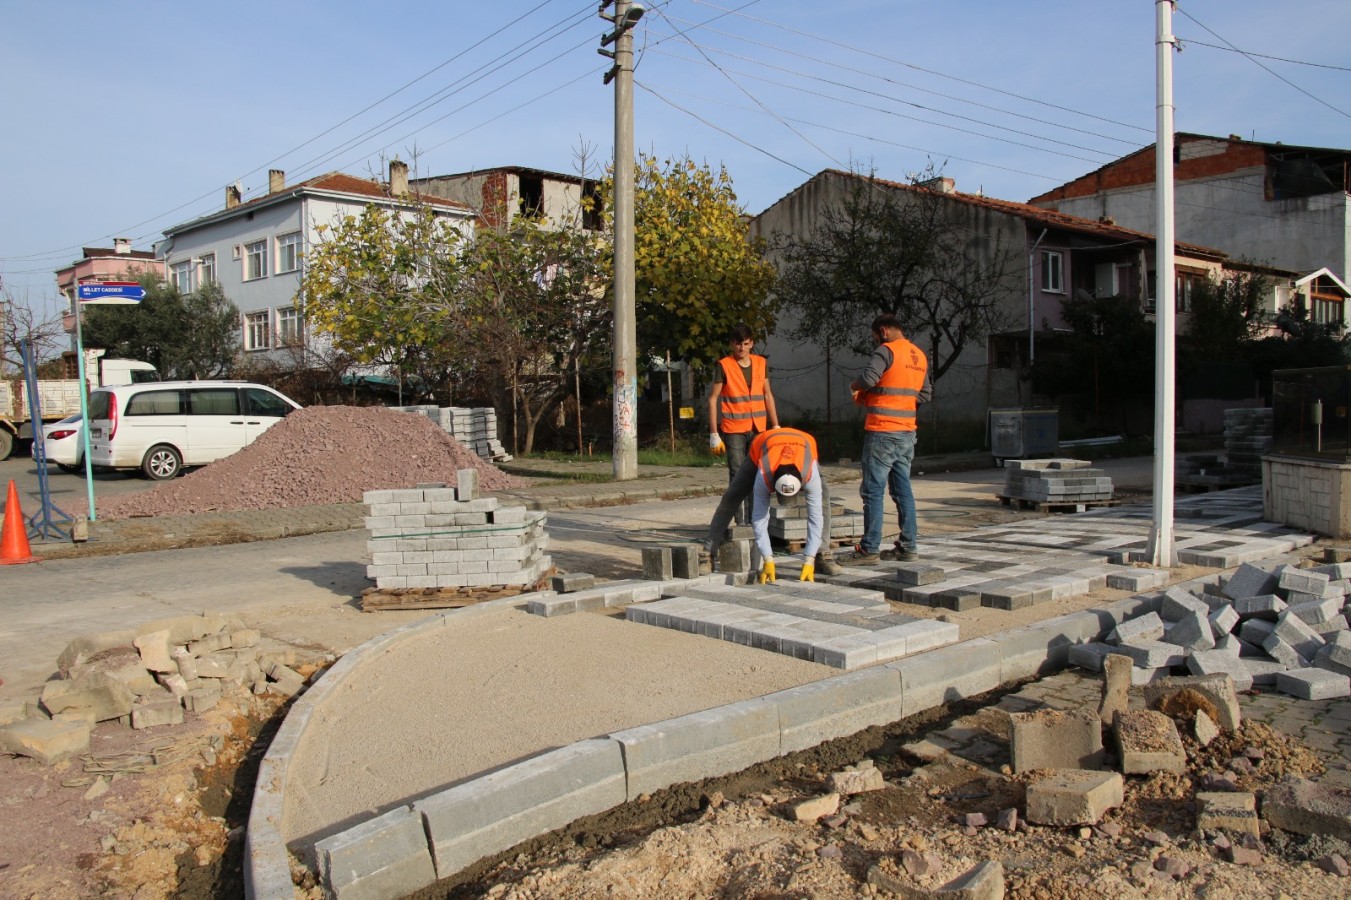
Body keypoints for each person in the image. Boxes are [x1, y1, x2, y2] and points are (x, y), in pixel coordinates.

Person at [844, 314, 931, 565]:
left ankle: (869, 549)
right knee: (903, 490)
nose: (876, 341)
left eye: (875, 337)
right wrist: (901, 404)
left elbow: (868, 379)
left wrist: (855, 387)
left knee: (872, 491)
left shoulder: (886, 351)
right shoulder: (918, 356)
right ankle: (908, 546)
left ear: (883, 331)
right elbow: (925, 393)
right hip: (907, 433)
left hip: (882, 431)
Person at [702, 427, 842, 580]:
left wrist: (809, 558)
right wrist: (768, 558)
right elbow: (759, 519)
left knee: (823, 500)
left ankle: (822, 554)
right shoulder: (764, 476)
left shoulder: (810, 474)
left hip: (803, 444)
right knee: (732, 497)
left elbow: (816, 518)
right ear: (773, 485)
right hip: (763, 446)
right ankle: (708, 553)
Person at [707, 323, 779, 525]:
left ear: (752, 343)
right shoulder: (724, 365)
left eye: (745, 344)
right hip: (734, 429)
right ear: (732, 344)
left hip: (758, 428)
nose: (742, 348)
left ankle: (756, 520)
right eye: (738, 344)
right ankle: (741, 522)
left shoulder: (761, 363)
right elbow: (713, 399)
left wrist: (775, 425)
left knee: (758, 474)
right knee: (738, 474)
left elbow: (767, 394)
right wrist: (714, 433)